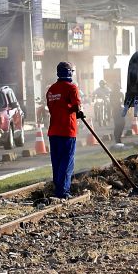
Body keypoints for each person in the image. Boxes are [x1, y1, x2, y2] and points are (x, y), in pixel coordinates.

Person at [46, 61, 83, 199]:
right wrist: (78, 112)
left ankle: (58, 188)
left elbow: (51, 108)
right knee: (67, 162)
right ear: (69, 72)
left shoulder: (51, 90)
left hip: (53, 131)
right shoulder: (72, 88)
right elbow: (77, 106)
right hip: (67, 130)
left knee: (56, 161)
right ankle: (63, 192)